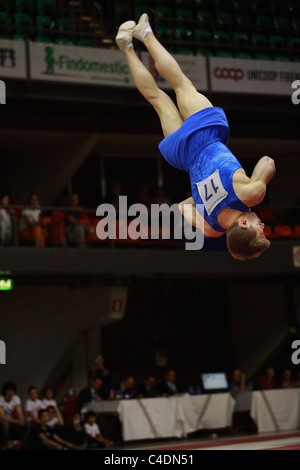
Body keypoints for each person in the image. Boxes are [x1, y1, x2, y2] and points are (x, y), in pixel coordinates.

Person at [115, 14, 276, 261]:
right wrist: (205, 191)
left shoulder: (251, 195)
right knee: (157, 99)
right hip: (183, 156)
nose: (262, 224)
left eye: (259, 229)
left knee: (181, 83)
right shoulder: (212, 229)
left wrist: (258, 184)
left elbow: (268, 161)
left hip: (207, 136)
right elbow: (182, 206)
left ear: (244, 226)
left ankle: (145, 33)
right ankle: (126, 47)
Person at [0, 381, 26, 449]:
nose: (11, 392)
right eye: (9, 390)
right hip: (2, 419)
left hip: (10, 418)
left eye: (12, 391)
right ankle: (5, 443)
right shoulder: (1, 399)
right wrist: (16, 421)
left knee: (26, 422)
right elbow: (2, 416)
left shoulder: (15, 398)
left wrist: (21, 420)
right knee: (5, 425)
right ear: (5, 391)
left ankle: (22, 441)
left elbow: (19, 412)